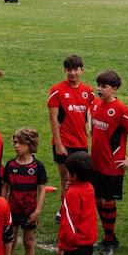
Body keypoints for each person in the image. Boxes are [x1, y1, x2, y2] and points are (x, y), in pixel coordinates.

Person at [89, 70, 128, 255]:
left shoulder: (121, 109)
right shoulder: (95, 105)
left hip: (112, 165)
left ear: (115, 89)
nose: (99, 89)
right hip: (95, 163)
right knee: (97, 200)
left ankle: (109, 241)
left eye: (104, 86)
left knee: (107, 202)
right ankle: (109, 236)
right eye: (98, 85)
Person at [1, 127, 48, 255]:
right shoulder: (10, 165)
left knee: (29, 243)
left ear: (30, 144)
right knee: (9, 243)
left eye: (20, 143)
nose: (16, 146)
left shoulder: (37, 167)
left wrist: (38, 211)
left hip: (29, 212)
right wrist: (3, 206)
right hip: (12, 211)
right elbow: (5, 188)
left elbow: (42, 189)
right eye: (15, 142)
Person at [48, 54, 93, 192]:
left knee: (81, 179)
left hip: (81, 142)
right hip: (65, 143)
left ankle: (77, 209)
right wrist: (58, 144)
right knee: (67, 179)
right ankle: (63, 210)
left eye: (76, 69)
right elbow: (53, 119)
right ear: (65, 71)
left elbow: (92, 114)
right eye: (69, 69)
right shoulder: (57, 91)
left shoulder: (88, 92)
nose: (72, 73)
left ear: (82, 70)